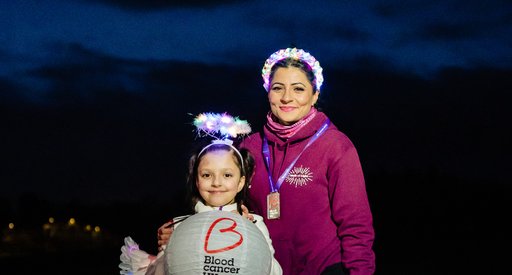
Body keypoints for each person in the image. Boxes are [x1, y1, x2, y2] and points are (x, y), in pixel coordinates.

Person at [159, 48, 375, 274]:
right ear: (267, 91)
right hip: (263, 267)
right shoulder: (249, 147)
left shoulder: (336, 146)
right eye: (278, 88)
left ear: (315, 95)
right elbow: (221, 202)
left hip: (324, 268)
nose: (286, 97)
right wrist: (182, 232)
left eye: (298, 89)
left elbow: (356, 227)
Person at [120, 113, 282, 275]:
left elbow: (274, 271)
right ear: (196, 181)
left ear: (240, 182)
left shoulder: (254, 224)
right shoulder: (178, 226)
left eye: (227, 175)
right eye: (206, 175)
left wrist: (251, 235)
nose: (216, 182)